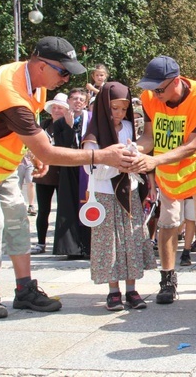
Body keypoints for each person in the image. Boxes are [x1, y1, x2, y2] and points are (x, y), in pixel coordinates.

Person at [0, 36, 136, 319]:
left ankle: (25, 289)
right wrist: (101, 156)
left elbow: (34, 136)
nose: (66, 79)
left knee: (17, 219)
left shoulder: (33, 83)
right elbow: (48, 150)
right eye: (63, 71)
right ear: (41, 64)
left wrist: (34, 155)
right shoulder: (9, 93)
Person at [133, 56, 196, 303]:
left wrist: (154, 161)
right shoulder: (150, 98)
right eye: (151, 88)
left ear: (176, 81)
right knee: (168, 220)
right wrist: (133, 149)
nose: (155, 94)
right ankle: (167, 280)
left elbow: (191, 146)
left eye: (160, 88)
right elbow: (148, 137)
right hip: (167, 165)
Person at [82, 82, 157, 311]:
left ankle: (132, 289)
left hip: (129, 191)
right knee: (109, 242)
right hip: (105, 194)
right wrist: (120, 166)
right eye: (115, 108)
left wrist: (133, 160)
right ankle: (113, 291)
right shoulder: (93, 133)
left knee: (131, 239)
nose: (120, 114)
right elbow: (91, 168)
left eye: (124, 109)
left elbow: (136, 152)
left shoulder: (126, 127)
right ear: (105, 107)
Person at [53, 88, 92, 258]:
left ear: (86, 103)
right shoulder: (60, 123)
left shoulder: (91, 121)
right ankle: (72, 248)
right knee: (69, 207)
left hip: (87, 169)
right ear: (68, 101)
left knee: (89, 204)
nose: (77, 101)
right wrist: (69, 127)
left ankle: (89, 246)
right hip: (69, 170)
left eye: (81, 99)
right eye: (74, 98)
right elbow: (61, 147)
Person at [30, 93, 66, 255]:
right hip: (44, 175)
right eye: (55, 107)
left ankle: (61, 243)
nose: (57, 110)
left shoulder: (69, 124)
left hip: (63, 172)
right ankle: (41, 242)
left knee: (64, 210)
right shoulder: (43, 125)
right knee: (43, 210)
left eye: (61, 108)